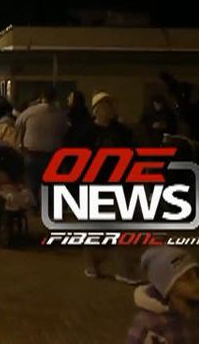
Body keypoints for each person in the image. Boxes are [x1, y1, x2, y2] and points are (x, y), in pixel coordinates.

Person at [73, 91, 141, 284]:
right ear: (95, 110)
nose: (107, 110)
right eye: (103, 106)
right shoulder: (85, 133)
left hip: (119, 186)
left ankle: (126, 270)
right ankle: (91, 264)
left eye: (109, 106)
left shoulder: (122, 132)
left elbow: (133, 156)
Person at [125, 248, 199, 344]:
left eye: (198, 274)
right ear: (167, 284)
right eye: (187, 278)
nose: (198, 282)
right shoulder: (150, 324)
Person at [15, 87, 69, 206]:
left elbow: (18, 124)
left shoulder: (30, 111)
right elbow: (65, 131)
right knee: (50, 183)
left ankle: (34, 206)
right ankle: (49, 207)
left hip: (31, 153)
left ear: (41, 97)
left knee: (32, 182)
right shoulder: (60, 114)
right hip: (52, 153)